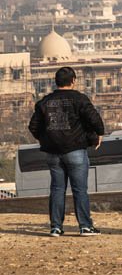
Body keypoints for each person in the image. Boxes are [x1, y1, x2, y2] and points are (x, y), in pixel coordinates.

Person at [27, 66, 105, 237]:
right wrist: (99, 134)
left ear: (56, 81)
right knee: (79, 190)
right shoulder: (79, 99)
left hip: (53, 153)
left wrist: (46, 139)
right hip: (75, 150)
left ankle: (56, 227)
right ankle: (85, 226)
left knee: (57, 189)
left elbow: (33, 126)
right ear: (73, 80)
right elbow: (94, 119)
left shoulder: (45, 102)